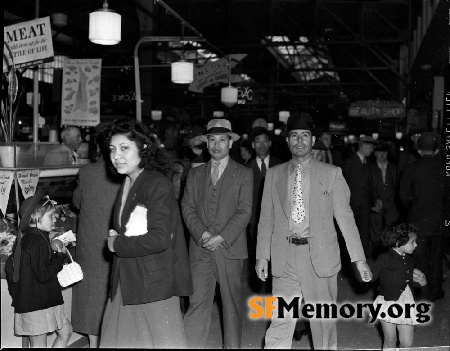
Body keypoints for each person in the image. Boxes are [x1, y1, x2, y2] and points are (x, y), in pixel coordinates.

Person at [256, 112, 371, 350]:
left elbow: (346, 219)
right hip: (284, 257)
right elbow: (265, 219)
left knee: (322, 322)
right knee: (280, 319)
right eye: (294, 136)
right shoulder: (274, 175)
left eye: (305, 136)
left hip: (319, 257)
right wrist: (261, 256)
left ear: (312, 140)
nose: (299, 141)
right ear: (287, 141)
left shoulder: (332, 174)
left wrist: (359, 259)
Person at [99, 118, 192, 348]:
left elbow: (160, 238)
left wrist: (117, 244)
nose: (116, 156)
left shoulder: (157, 184)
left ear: (143, 149)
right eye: (112, 149)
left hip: (152, 284)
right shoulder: (130, 181)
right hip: (128, 279)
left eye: (124, 148)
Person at [181, 118, 253, 349]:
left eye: (222, 140)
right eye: (212, 140)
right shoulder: (194, 173)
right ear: (207, 143)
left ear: (230, 143)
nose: (217, 145)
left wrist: (220, 237)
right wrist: (202, 235)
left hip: (229, 249)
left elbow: (245, 211)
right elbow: (187, 207)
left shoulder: (243, 173)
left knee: (231, 307)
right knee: (197, 303)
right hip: (199, 249)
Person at [71, 123, 122, 348]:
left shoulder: (86, 171)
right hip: (116, 240)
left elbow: (76, 202)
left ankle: (94, 343)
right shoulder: (123, 170)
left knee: (91, 294)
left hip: (90, 242)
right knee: (112, 292)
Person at [14, 189, 73, 348]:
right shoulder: (37, 242)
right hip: (36, 304)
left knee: (66, 331)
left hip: (42, 300)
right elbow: (44, 274)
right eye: (50, 216)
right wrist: (59, 256)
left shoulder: (34, 237)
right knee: (40, 344)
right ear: (36, 217)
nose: (54, 220)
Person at [399, 132, 447, 302]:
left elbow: (403, 195)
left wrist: (413, 207)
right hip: (439, 222)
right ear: (435, 151)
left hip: (417, 222)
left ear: (419, 150)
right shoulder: (444, 168)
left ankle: (420, 292)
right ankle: (434, 292)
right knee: (436, 258)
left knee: (419, 257)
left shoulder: (412, 168)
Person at [368, 223, 427, 349]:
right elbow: (371, 276)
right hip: (388, 302)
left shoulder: (410, 261)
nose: (416, 245)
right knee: (390, 340)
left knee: (407, 343)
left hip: (406, 303)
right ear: (398, 243)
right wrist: (364, 270)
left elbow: (411, 282)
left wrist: (422, 280)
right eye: (413, 242)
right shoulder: (384, 259)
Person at [246, 127, 282, 290]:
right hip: (255, 221)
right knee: (259, 255)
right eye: (258, 141)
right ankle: (261, 285)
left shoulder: (281, 165)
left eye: (265, 141)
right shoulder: (245, 169)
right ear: (253, 145)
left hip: (279, 220)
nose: (262, 145)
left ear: (271, 143)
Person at [343, 136, 376, 258]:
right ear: (363, 147)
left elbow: (370, 184)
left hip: (365, 205)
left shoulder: (367, 163)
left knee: (364, 235)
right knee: (350, 234)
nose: (372, 150)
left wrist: (373, 201)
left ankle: (362, 260)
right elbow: (343, 183)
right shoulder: (350, 162)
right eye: (370, 147)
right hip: (352, 204)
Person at [369, 143, 400, 254]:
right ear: (375, 154)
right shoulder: (370, 167)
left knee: (391, 232)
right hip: (377, 205)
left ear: (387, 154)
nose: (382, 155)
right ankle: (376, 256)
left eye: (384, 153)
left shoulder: (394, 168)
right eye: (379, 153)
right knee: (375, 233)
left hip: (391, 206)